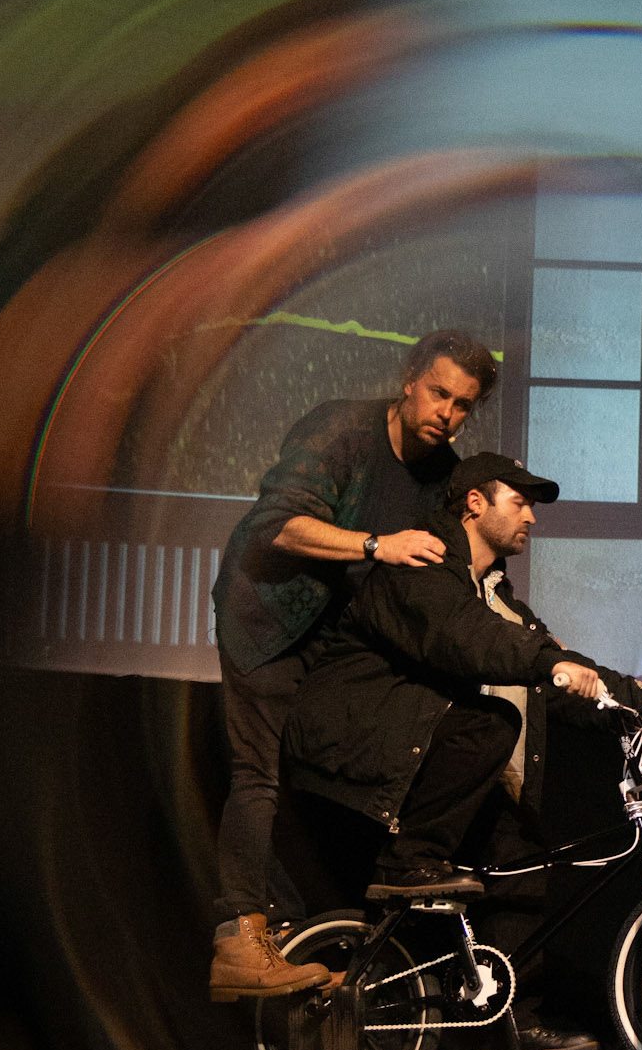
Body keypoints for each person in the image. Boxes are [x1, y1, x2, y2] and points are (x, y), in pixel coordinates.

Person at [282, 452, 642, 1050]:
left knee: (521, 863)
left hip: (454, 771)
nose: (531, 517)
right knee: (494, 722)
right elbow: (463, 636)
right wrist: (549, 662)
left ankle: (513, 1023)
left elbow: (562, 670)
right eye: (519, 502)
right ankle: (407, 863)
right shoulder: (421, 563)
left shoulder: (502, 604)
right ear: (475, 502)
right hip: (360, 743)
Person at [209, 329, 498, 1001]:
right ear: (408, 379)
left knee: (320, 772)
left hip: (336, 639)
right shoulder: (341, 429)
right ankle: (238, 938)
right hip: (268, 618)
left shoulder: (443, 476)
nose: (446, 412)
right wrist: (375, 544)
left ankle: (293, 935)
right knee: (260, 771)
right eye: (438, 393)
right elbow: (276, 523)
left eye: (462, 404)